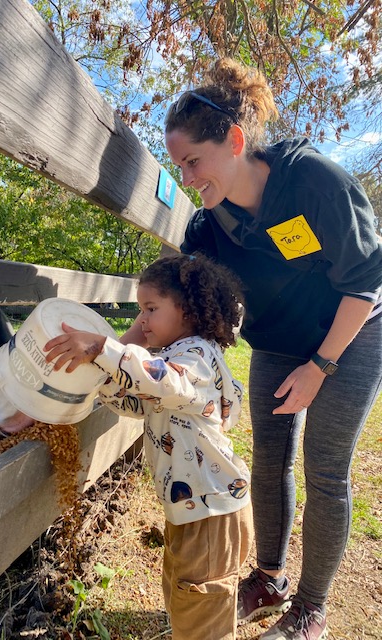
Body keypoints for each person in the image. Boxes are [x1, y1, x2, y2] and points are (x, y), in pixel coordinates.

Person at [163, 57, 382, 640]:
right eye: (178, 165)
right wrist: (124, 352)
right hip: (279, 341)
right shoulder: (208, 225)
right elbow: (177, 299)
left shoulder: (312, 180)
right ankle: (269, 577)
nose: (187, 178)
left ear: (234, 141)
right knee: (270, 456)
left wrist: (320, 367)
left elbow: (364, 283)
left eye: (193, 162)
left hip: (352, 332)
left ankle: (311, 607)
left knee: (326, 469)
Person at [45, 253, 254, 640]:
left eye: (151, 308)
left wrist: (104, 348)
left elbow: (164, 382)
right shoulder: (173, 356)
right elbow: (139, 400)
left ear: (188, 310)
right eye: (141, 309)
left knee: (202, 613)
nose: (141, 320)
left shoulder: (197, 355)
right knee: (182, 594)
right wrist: (102, 378)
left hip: (213, 512)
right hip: (191, 509)